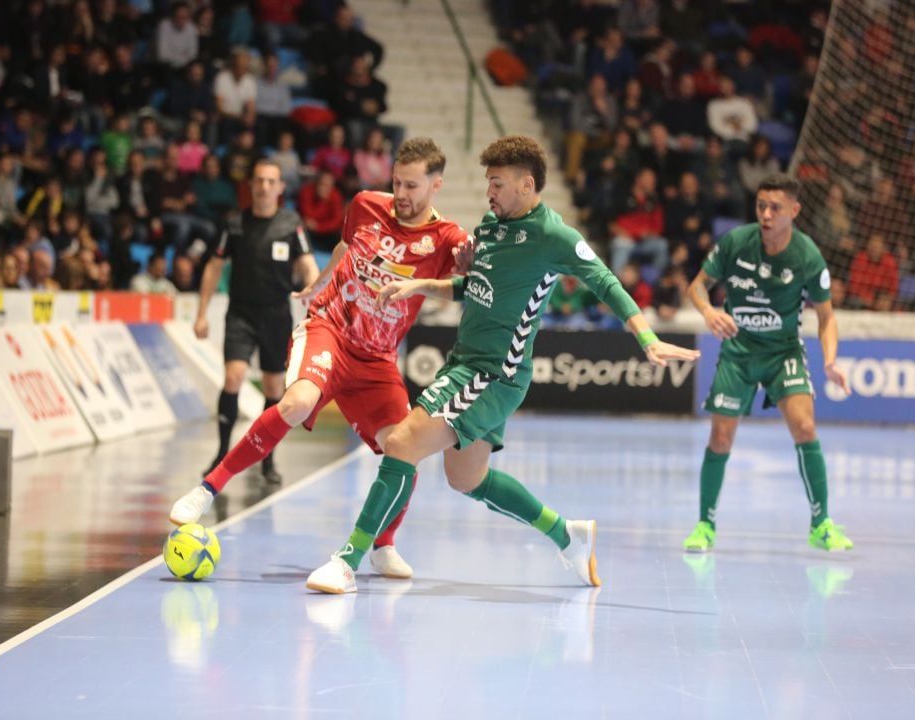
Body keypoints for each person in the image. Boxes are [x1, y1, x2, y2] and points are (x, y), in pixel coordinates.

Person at [305, 135, 700, 594]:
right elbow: (472, 285)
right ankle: (566, 535)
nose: (489, 192)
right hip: (465, 362)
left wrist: (647, 338)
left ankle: (348, 559)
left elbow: (606, 282)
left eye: (496, 183)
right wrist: (423, 286)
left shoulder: (554, 236)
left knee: (401, 443)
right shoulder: (491, 226)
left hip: (495, 373)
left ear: (526, 184)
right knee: (465, 478)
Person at [170, 137, 472, 580]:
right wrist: (319, 283)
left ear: (436, 185)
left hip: (378, 359)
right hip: (330, 327)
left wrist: (461, 269)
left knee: (405, 446)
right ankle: (208, 488)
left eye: (412, 186)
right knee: (295, 403)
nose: (402, 195)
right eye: (397, 183)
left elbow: (459, 287)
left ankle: (383, 545)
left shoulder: (447, 238)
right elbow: (345, 248)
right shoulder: (367, 204)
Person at [682, 173, 854, 554]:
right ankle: (705, 525)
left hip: (783, 354)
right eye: (761, 205)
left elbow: (827, 318)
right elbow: (696, 287)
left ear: (794, 211)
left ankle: (821, 524)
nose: (766, 213)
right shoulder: (736, 244)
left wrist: (830, 361)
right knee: (720, 437)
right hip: (738, 352)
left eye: (775, 207)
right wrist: (709, 312)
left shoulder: (807, 256)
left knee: (805, 427)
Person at [195, 158, 319, 483]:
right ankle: (222, 454)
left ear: (280, 188)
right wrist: (201, 313)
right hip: (240, 313)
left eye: (271, 181)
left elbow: (307, 264)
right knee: (234, 376)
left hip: (276, 315)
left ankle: (267, 460)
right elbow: (213, 266)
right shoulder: (234, 222)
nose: (264, 186)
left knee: (273, 387)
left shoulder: (291, 223)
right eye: (259, 180)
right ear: (251, 186)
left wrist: (315, 293)